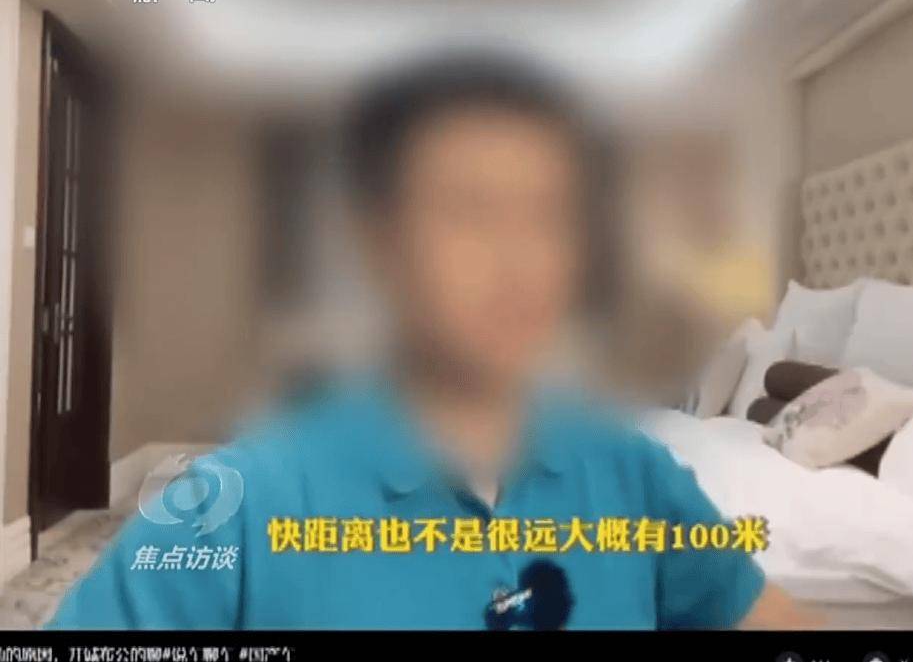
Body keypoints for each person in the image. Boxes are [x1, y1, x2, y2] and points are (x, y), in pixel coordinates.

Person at [48, 52, 815, 630]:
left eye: (549, 215)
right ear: (379, 245)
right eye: (470, 210)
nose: (520, 259)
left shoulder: (634, 474)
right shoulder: (241, 505)